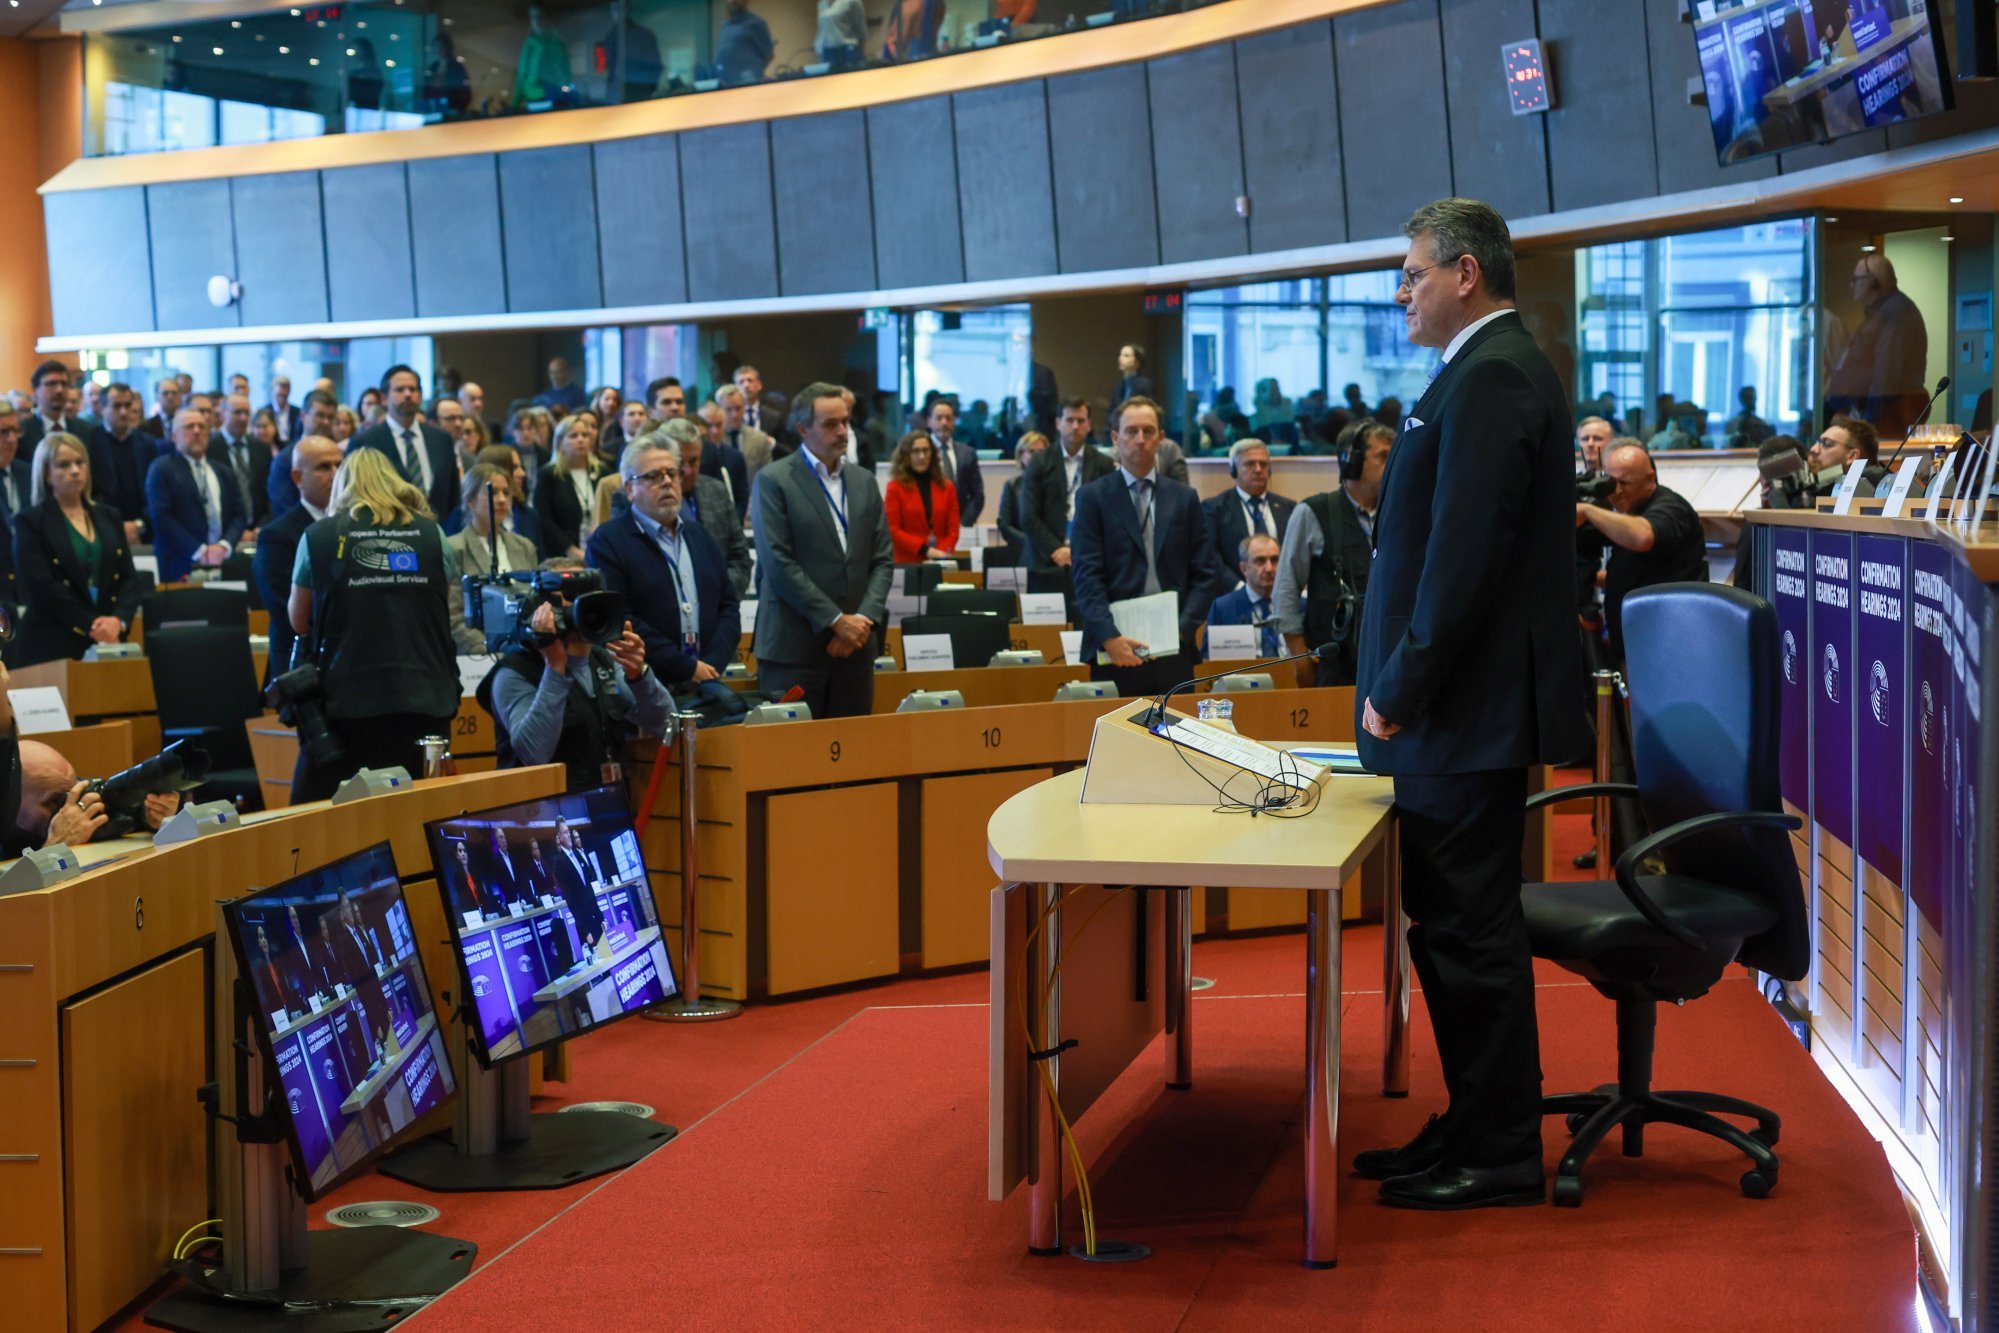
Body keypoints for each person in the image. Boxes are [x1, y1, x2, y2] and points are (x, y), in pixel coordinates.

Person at [1350, 198, 1588, 1210]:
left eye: (1410, 272)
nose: (1400, 292)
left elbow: (1461, 561)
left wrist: (1398, 688)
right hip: (1462, 709)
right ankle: (1474, 1118)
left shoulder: (1491, 376)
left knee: (1469, 931)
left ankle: (1497, 1149)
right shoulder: (1474, 373)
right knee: (1445, 924)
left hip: (1463, 710)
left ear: (1464, 274)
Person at [288, 449, 459, 803]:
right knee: (418, 813)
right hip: (426, 698)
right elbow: (441, 606)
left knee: (333, 817)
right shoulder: (433, 535)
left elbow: (299, 620)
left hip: (348, 703)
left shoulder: (317, 537)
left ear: (342, 486)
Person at [750, 383, 893, 719]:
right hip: (794, 650)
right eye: (831, 424)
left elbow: (883, 558)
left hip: (855, 649)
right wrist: (834, 621)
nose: (843, 431)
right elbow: (778, 562)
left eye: (846, 422)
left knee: (857, 762)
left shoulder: (863, 481)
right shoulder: (774, 480)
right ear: (803, 429)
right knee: (792, 764)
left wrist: (861, 622)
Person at [1070, 395, 1221, 697]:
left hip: (1174, 647)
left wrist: (1181, 628)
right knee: (1119, 741)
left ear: (1161, 438)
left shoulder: (1183, 498)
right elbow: (1086, 577)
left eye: (1148, 431)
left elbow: (1206, 573)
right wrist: (1110, 637)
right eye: (1131, 431)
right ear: (1115, 438)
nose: (1140, 440)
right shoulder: (1093, 498)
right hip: (1115, 648)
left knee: (1175, 741)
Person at [483, 555, 672, 791]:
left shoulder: (604, 660)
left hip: (607, 802)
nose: (584, 605)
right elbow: (534, 754)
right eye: (571, 595)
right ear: (543, 608)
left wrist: (639, 675)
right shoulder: (516, 671)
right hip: (542, 814)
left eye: (589, 594)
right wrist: (554, 668)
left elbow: (666, 725)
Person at [1275, 416, 1391, 688]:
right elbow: (1287, 586)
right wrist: (1299, 655)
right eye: (1383, 456)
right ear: (1351, 461)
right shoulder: (1313, 512)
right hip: (1332, 665)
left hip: (1387, 660)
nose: (1392, 463)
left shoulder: (1400, 513)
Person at [13, 432, 143, 668]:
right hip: (52, 643)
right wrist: (95, 624)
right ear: (46, 473)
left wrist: (118, 620)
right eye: (64, 464)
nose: (74, 470)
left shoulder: (109, 516)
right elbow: (42, 587)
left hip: (108, 641)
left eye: (79, 462)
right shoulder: (30, 522)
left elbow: (129, 580)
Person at [1575, 441, 1709, 664]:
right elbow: (1635, 573)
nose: (1616, 492)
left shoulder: (1670, 507)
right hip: (1633, 640)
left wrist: (1589, 511)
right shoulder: (1626, 510)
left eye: (1624, 483)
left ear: (1650, 479)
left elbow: (1643, 537)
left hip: (1670, 643)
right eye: (1611, 482)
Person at [254, 435, 343, 687]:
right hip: (301, 668)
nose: (335, 474)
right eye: (324, 467)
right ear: (297, 478)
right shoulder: (277, 536)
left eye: (339, 465)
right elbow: (285, 612)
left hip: (350, 663)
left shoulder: (356, 527)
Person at [1828, 253, 1929, 437]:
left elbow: (1886, 375)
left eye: (1855, 280)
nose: (1851, 285)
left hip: (1882, 422)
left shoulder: (1897, 313)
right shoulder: (1880, 312)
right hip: (1864, 416)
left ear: (1873, 282)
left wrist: (1867, 426)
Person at [146, 408, 249, 584]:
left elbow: (240, 514)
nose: (196, 431)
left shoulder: (222, 471)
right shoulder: (162, 469)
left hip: (222, 562)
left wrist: (224, 546)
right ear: (174, 435)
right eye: (189, 426)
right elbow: (161, 517)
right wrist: (200, 551)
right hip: (179, 565)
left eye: (202, 426)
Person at [15, 737, 178, 848]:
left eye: (72, 792)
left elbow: (119, 811)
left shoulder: (74, 793)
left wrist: (152, 815)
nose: (69, 811)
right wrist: (56, 847)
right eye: (55, 800)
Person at [448, 465, 541, 654]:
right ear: (469, 500)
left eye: (506, 493)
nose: (501, 500)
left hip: (527, 651)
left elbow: (537, 604)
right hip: (478, 655)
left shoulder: (524, 547)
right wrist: (490, 648)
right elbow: (453, 617)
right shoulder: (455, 548)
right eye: (492, 493)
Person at [663, 417, 752, 598]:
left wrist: (718, 595)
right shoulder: (645, 498)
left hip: (720, 608)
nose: (687, 471)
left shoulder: (716, 491)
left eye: (694, 461)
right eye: (680, 462)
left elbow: (740, 557)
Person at [354, 365, 457, 521]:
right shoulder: (366, 442)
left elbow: (453, 496)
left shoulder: (441, 439)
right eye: (400, 390)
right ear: (384, 398)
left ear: (420, 396)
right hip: (389, 534)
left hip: (438, 534)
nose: (408, 394)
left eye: (413, 389)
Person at [1024, 399, 1114, 571]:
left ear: (1089, 425)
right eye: (1069, 420)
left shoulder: (1104, 464)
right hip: (1045, 559)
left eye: (1080, 421)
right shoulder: (1039, 461)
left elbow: (1109, 516)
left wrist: (1079, 551)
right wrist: (1056, 549)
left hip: (1089, 559)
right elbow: (1028, 515)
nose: (1075, 426)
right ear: (1058, 423)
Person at [1202, 438, 1295, 589]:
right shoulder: (1214, 509)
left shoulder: (1288, 508)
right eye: (1250, 464)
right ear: (1233, 470)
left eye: (1263, 464)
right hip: (1233, 595)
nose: (1258, 469)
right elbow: (1210, 556)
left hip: (1282, 594)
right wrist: (1240, 589)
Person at [86, 383, 157, 545]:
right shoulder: (89, 441)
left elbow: (154, 491)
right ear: (102, 408)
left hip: (142, 531)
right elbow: (91, 493)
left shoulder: (147, 444)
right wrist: (117, 526)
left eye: (128, 405)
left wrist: (139, 525)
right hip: (101, 530)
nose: (124, 412)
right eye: (117, 406)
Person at [884, 430, 961, 563]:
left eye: (926, 450)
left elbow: (953, 530)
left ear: (932, 454)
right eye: (915, 451)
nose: (921, 456)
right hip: (907, 562)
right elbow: (893, 530)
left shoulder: (947, 487)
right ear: (906, 455)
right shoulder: (895, 487)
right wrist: (925, 550)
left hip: (940, 560)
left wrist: (939, 553)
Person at [535, 413, 604, 559]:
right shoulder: (549, 475)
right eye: (573, 436)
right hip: (563, 554)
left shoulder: (602, 472)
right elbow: (544, 519)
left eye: (585, 435)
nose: (581, 440)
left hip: (600, 549)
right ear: (560, 442)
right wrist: (571, 550)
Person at [1204, 534, 1282, 660]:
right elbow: (1207, 662)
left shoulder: (1298, 606)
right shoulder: (1223, 608)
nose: (1269, 568)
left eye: (1274, 560)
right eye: (1260, 561)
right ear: (1244, 568)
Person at [267, 389, 338, 520]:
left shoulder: (339, 456)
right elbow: (283, 508)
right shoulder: (286, 459)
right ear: (303, 416)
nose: (326, 422)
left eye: (330, 417)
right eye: (320, 415)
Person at [549, 816, 607, 959]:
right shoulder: (559, 863)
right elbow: (571, 900)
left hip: (595, 918)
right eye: (564, 832)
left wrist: (601, 917)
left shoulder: (577, 854)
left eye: (568, 831)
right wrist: (584, 930)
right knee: (599, 965)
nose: (568, 835)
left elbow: (589, 890)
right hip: (585, 923)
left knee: (608, 957)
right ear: (559, 837)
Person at [925, 399, 984, 527]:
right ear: (929, 421)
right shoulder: (920, 452)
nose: (944, 423)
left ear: (954, 421)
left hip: (960, 526)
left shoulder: (967, 454)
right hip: (926, 527)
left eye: (948, 418)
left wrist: (962, 524)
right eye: (939, 418)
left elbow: (977, 495)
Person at [216, 394, 270, 528]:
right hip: (225, 531)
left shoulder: (262, 448)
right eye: (237, 412)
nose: (243, 418)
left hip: (259, 529)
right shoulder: (210, 448)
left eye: (247, 413)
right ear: (223, 414)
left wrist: (262, 526)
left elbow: (267, 494)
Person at [994, 432, 1046, 567]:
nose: (1036, 456)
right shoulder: (1012, 485)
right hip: (1021, 552)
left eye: (1041, 451)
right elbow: (1005, 524)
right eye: (1031, 451)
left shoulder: (1055, 485)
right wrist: (1029, 542)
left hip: (1050, 552)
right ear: (1021, 455)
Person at [1808, 414, 1889, 499]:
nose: (1814, 449)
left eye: (1827, 443)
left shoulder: (1875, 492)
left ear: (1852, 456)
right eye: (1818, 442)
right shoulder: (1820, 483)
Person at [0, 403, 32, 615]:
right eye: (3, 432)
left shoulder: (27, 472)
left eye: (15, 431)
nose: (12, 439)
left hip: (26, 590)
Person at [699, 400, 752, 521]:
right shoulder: (693, 459)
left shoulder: (735, 456)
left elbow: (741, 497)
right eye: (709, 426)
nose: (715, 431)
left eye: (719, 425)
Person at [714, 384, 775, 486]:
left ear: (744, 407)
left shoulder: (760, 439)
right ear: (719, 410)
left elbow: (768, 477)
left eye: (738, 408)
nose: (735, 415)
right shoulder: (713, 439)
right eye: (728, 410)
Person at [513, 4, 573, 107]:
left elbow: (566, 72)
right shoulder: (530, 44)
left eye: (539, 16)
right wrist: (514, 104)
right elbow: (522, 74)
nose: (536, 21)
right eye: (533, 17)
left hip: (557, 96)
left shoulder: (558, 44)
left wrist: (566, 91)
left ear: (546, 18)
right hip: (535, 95)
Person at [714, 0, 774, 86]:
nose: (732, 1)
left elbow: (769, 54)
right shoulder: (726, 26)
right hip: (725, 84)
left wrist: (753, 72)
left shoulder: (756, 23)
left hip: (747, 83)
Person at [21, 361, 74, 455]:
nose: (59, 390)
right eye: (52, 384)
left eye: (64, 384)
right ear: (35, 390)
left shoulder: (86, 430)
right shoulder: (22, 432)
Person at [817, 0, 867, 68]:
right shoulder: (822, 3)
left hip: (846, 49)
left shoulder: (852, 2)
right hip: (827, 50)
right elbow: (822, 30)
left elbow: (861, 30)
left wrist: (860, 54)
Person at [1110, 345, 1153, 421]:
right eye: (1120, 355)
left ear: (1137, 362)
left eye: (1126, 356)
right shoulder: (1118, 386)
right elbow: (1112, 410)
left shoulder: (1145, 384)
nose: (1120, 358)